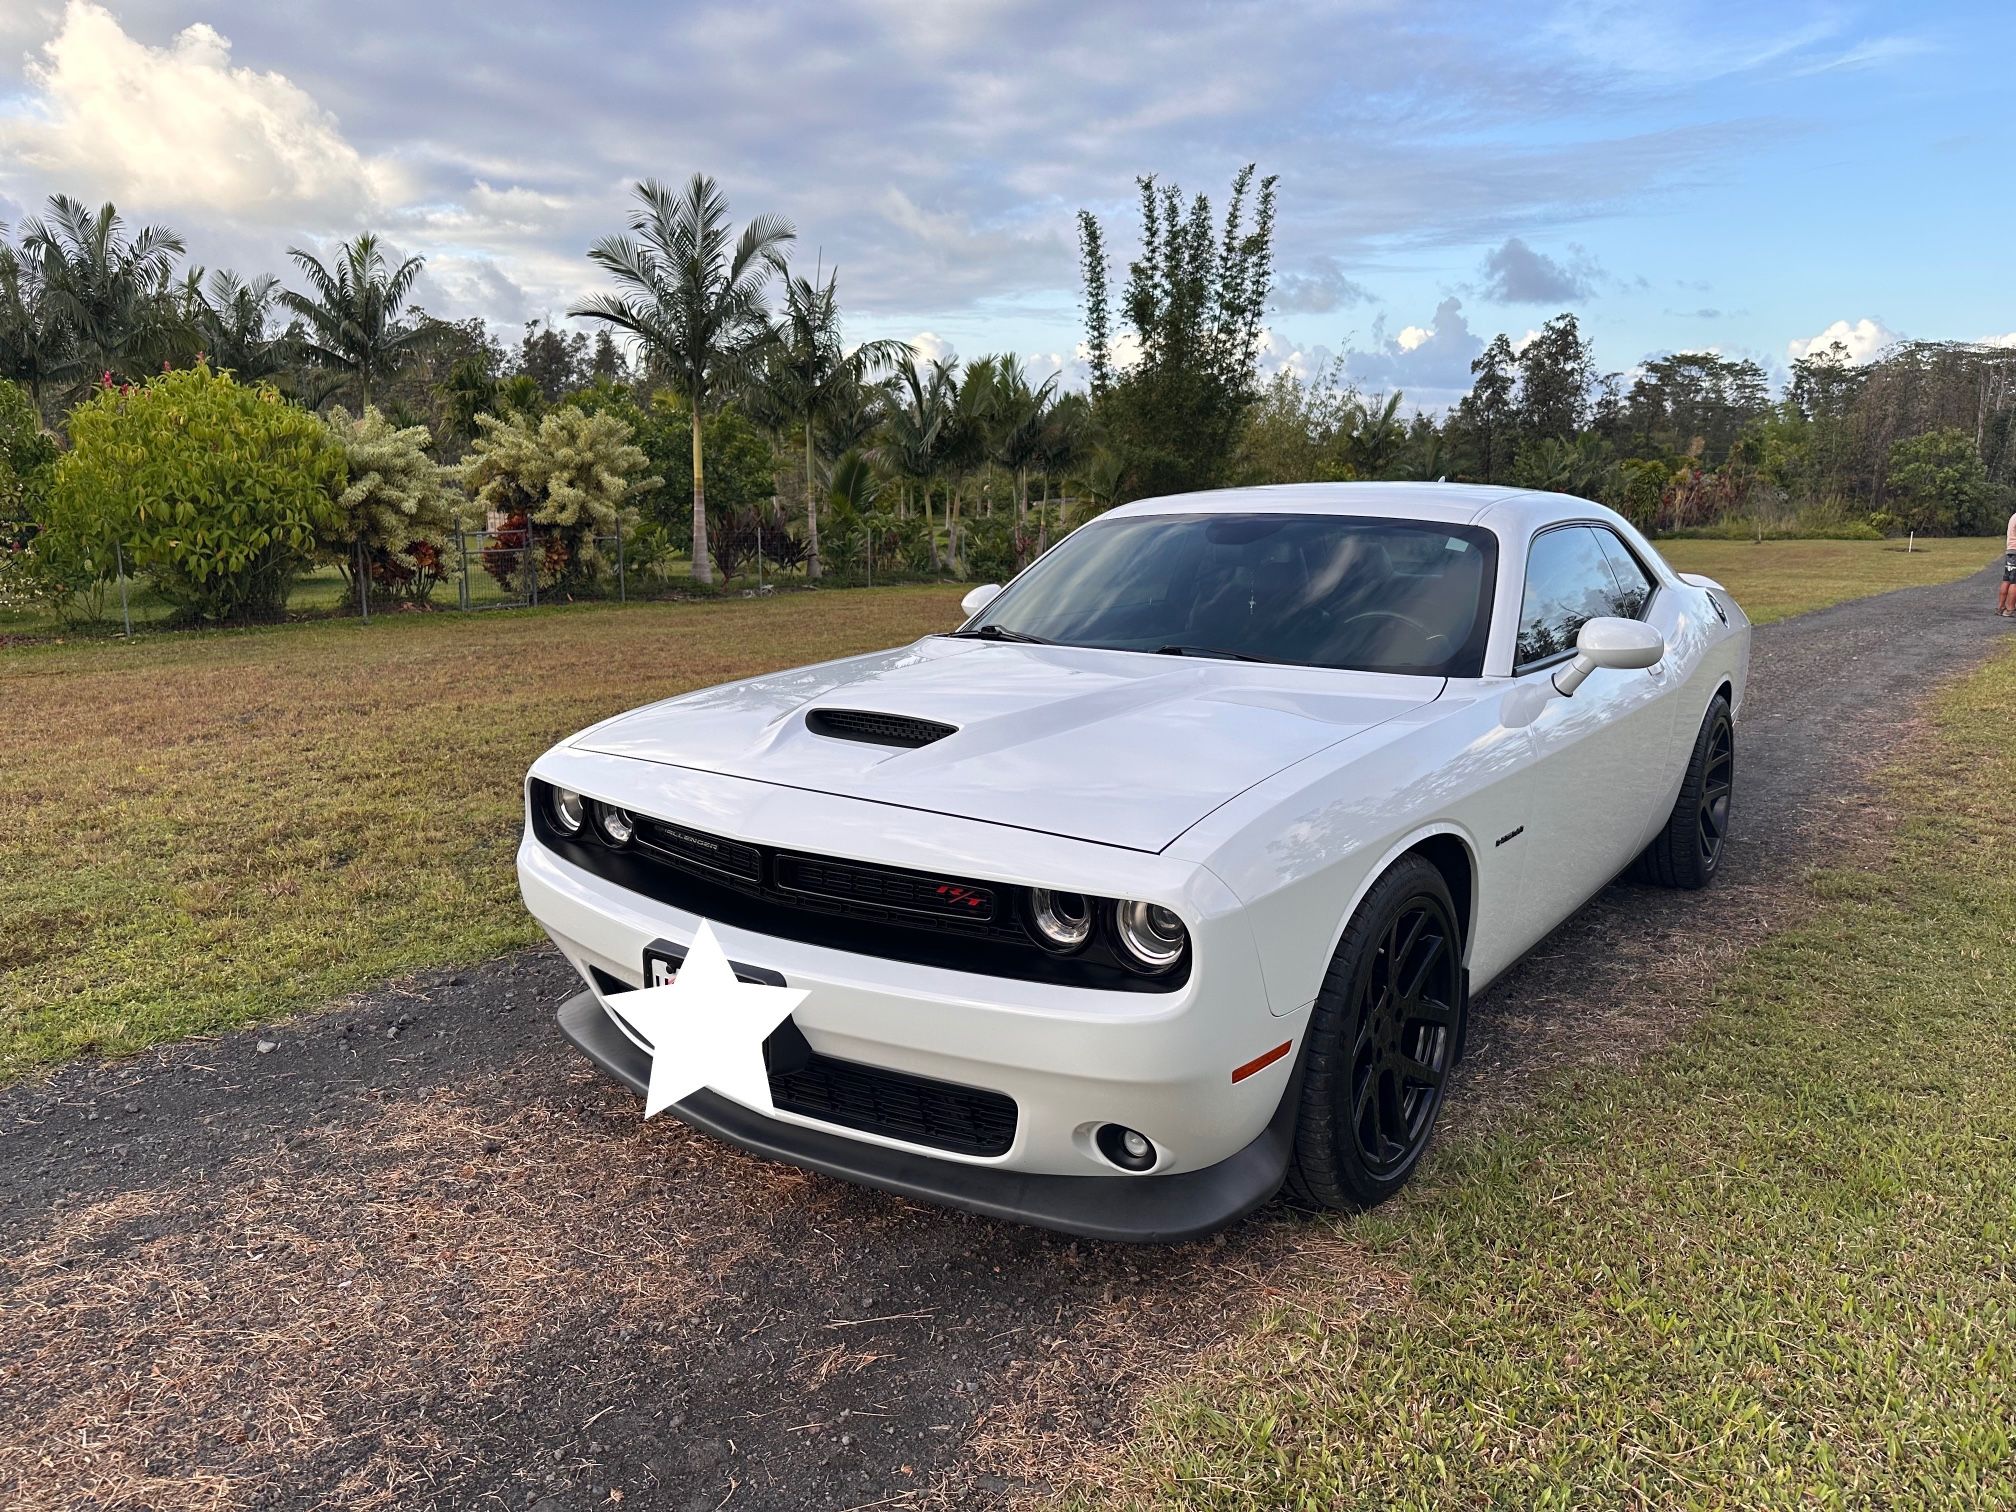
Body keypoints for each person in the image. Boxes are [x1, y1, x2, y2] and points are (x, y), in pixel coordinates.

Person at [2004, 508, 2016, 618]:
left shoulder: (2013, 516)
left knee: (2007, 579)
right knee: (2015, 581)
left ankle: (2001, 606)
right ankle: (2010, 609)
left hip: (2010, 551)